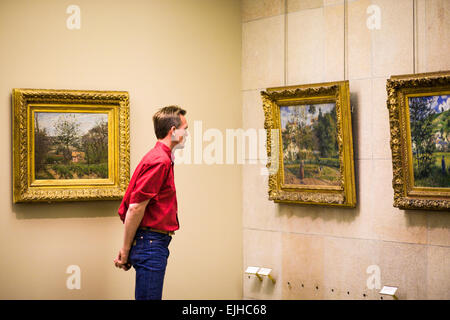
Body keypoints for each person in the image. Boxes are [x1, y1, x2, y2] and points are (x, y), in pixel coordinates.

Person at [114, 105, 188, 300]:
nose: (187, 134)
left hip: (150, 242)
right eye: (185, 129)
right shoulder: (159, 161)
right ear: (173, 131)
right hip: (151, 244)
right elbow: (136, 207)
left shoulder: (159, 157)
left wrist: (128, 247)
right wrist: (126, 249)